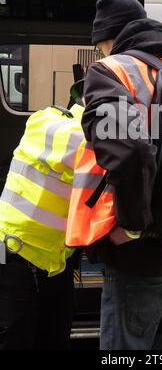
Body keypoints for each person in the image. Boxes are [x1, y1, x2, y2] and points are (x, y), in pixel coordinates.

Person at [81, 0, 162, 350]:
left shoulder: (111, 70)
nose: (103, 53)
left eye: (100, 46)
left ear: (109, 39)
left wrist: (132, 227)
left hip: (138, 253)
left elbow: (130, 151)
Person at [0, 90, 84, 350]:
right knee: (20, 340)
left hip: (52, 260)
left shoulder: (54, 122)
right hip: (21, 257)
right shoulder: (71, 134)